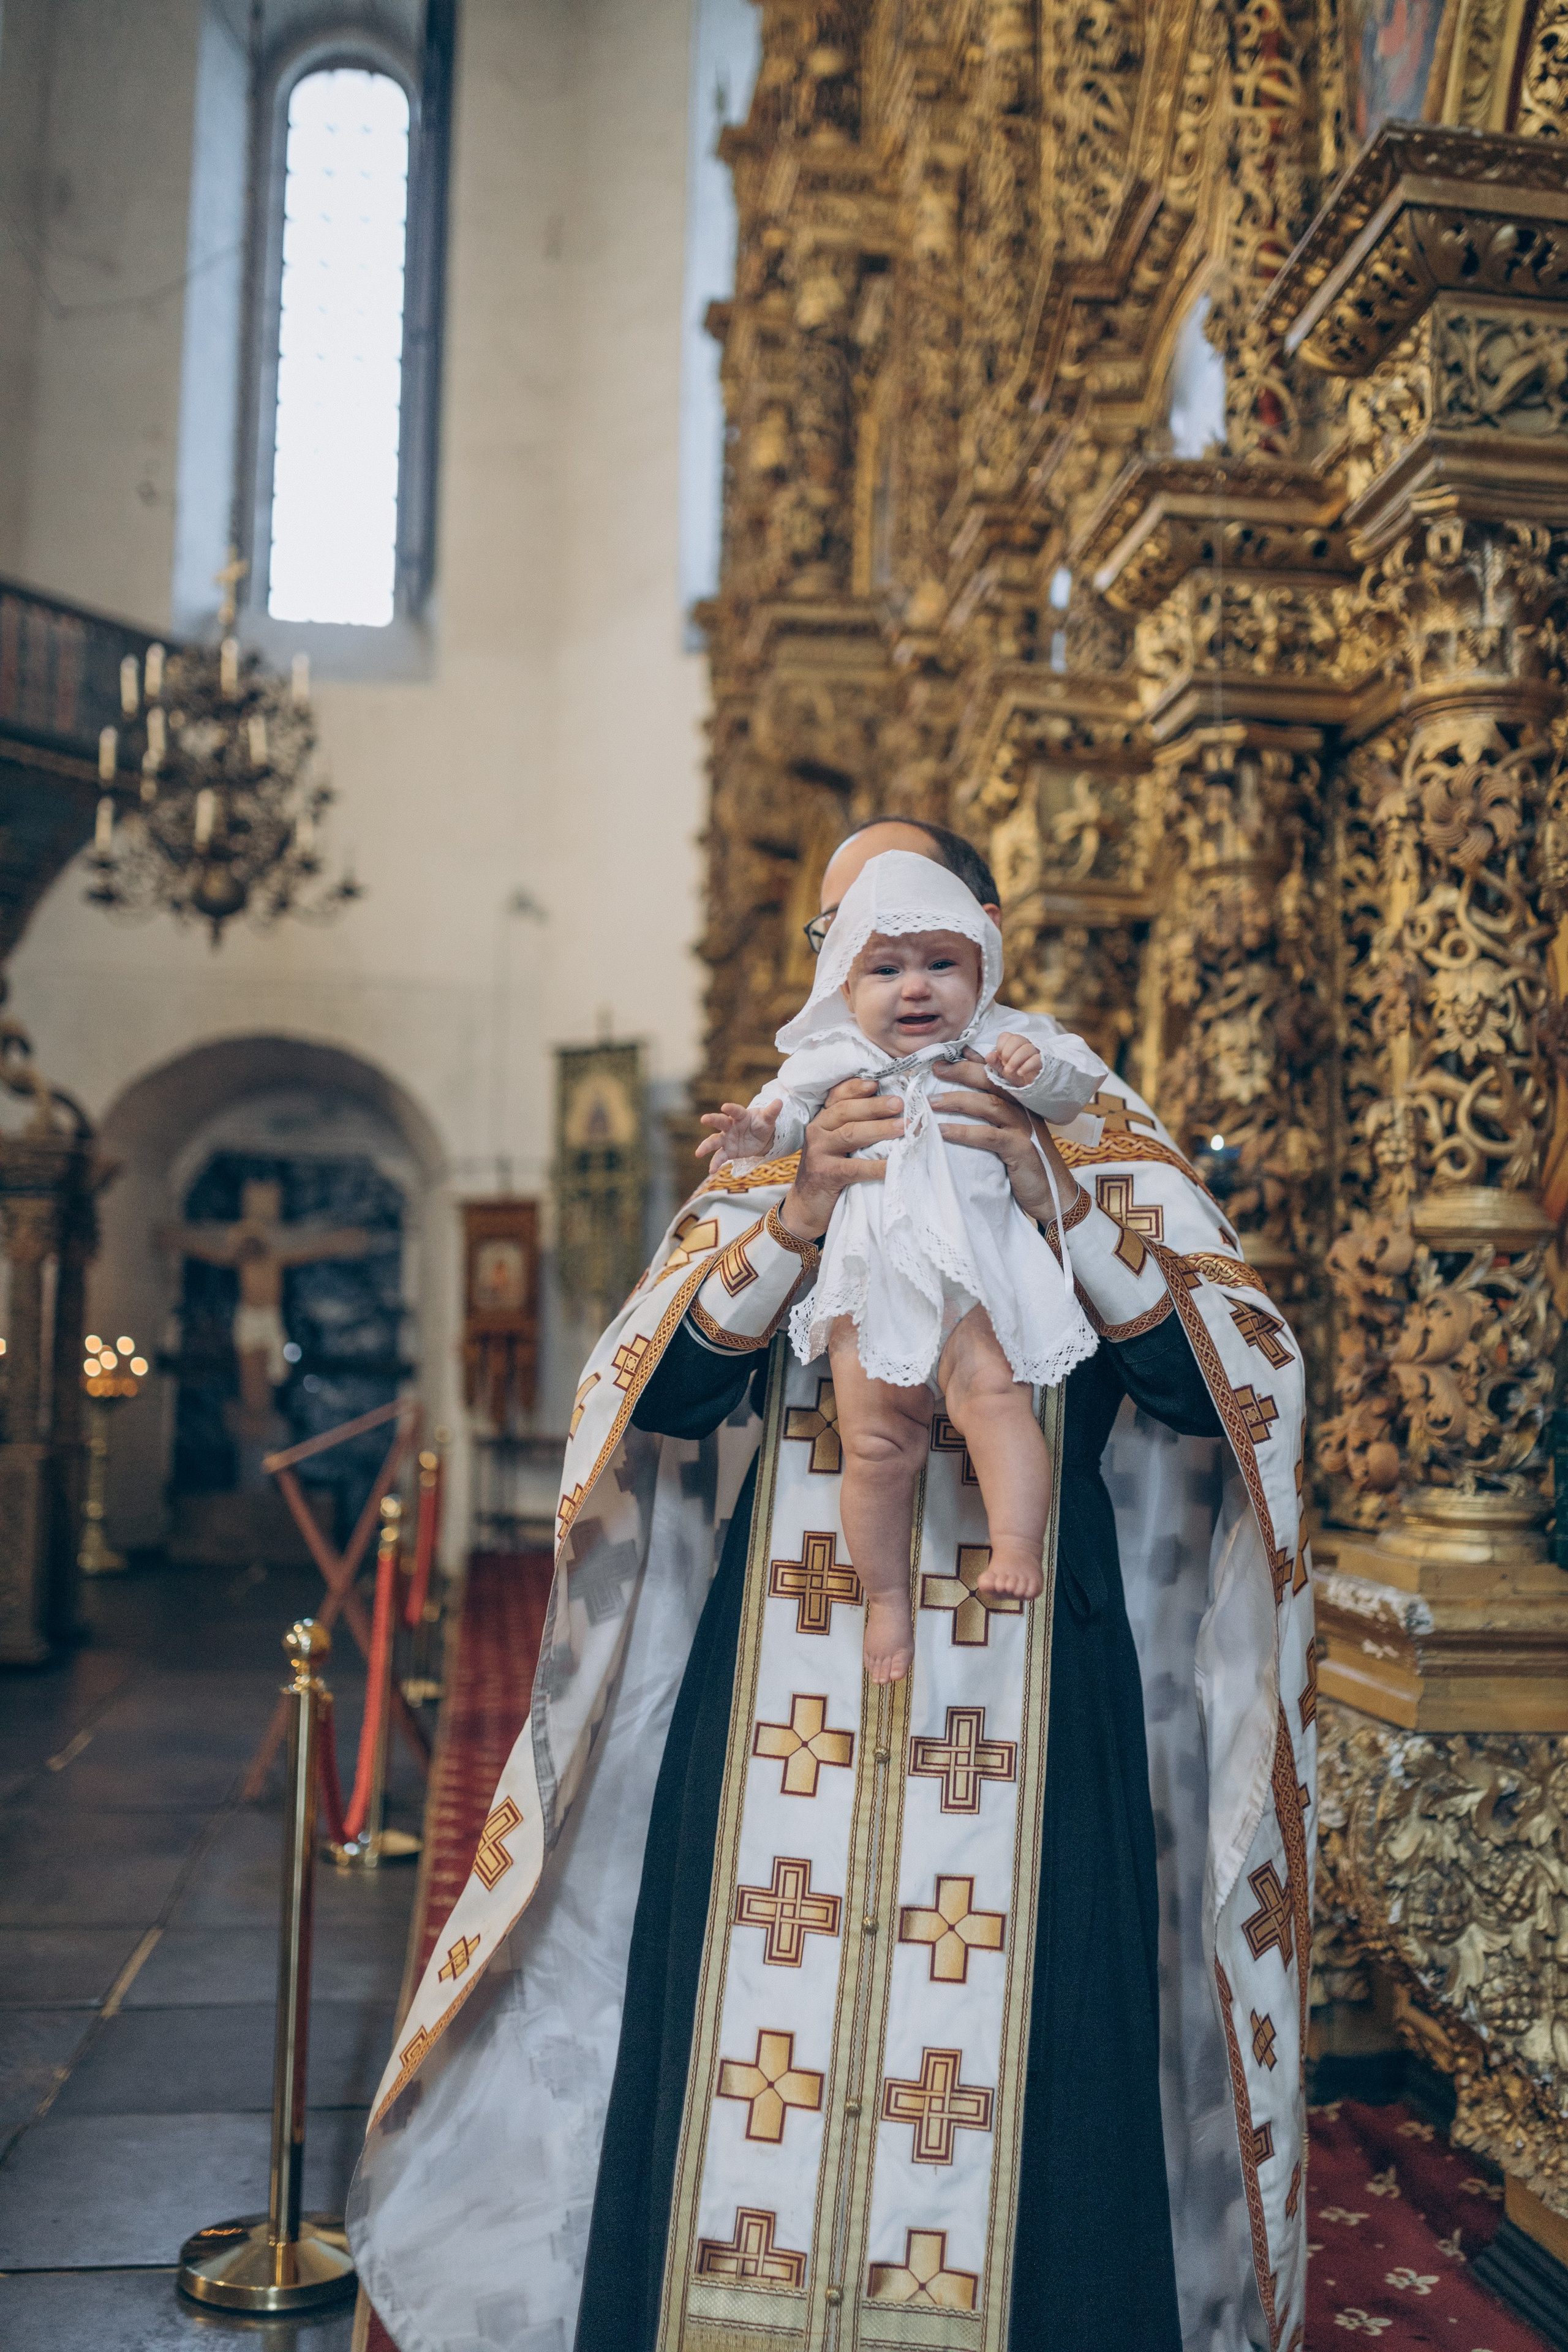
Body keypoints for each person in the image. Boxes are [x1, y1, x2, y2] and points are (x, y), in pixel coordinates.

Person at [349, 816, 1316, 2352]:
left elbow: (1227, 1398)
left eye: (912, 928)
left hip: (1030, 1679)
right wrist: (795, 1217)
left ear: (982, 933)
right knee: (741, 2050)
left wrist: (1062, 1203)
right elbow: (650, 1405)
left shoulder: (1082, 1126)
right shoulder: (799, 1127)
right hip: (777, 1695)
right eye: (845, 930)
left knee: (1029, 2067)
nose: (880, 958)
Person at [698, 846, 1107, 1680]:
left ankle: (1017, 1543)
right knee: (877, 1443)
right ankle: (886, 1600)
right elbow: (782, 1110)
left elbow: (1077, 1087)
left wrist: (1038, 1079)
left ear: (985, 952)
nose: (915, 986)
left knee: (995, 1396)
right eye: (884, 965)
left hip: (976, 1274)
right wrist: (763, 1144)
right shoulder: (837, 1056)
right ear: (844, 984)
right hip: (873, 1280)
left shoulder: (1003, 1043)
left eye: (940, 963)